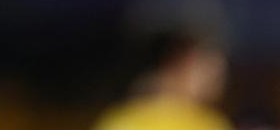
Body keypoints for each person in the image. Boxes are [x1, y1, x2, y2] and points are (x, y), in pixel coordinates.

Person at [92, 27, 233, 130]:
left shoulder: (213, 123)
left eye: (219, 75)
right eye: (208, 72)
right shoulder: (125, 121)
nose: (216, 83)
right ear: (177, 64)